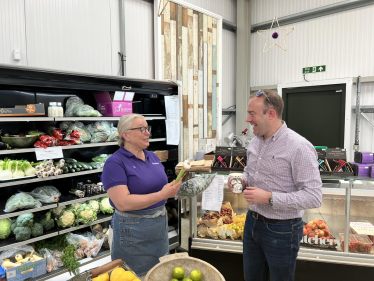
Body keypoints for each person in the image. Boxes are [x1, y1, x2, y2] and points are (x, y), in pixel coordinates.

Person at [229, 89, 322, 281]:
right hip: (252, 223)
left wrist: (270, 197)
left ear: (270, 114)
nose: (247, 119)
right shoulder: (254, 142)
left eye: (252, 114)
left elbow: (313, 196)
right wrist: (243, 180)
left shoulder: (299, 147)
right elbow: (250, 172)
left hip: (283, 230)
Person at [101, 113, 182, 278]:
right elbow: (123, 203)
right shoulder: (114, 163)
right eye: (142, 129)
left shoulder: (151, 156)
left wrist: (172, 190)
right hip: (132, 230)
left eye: (148, 128)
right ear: (126, 135)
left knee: (159, 273)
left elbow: (157, 187)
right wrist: (162, 194)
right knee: (132, 275)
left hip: (158, 229)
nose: (148, 133)